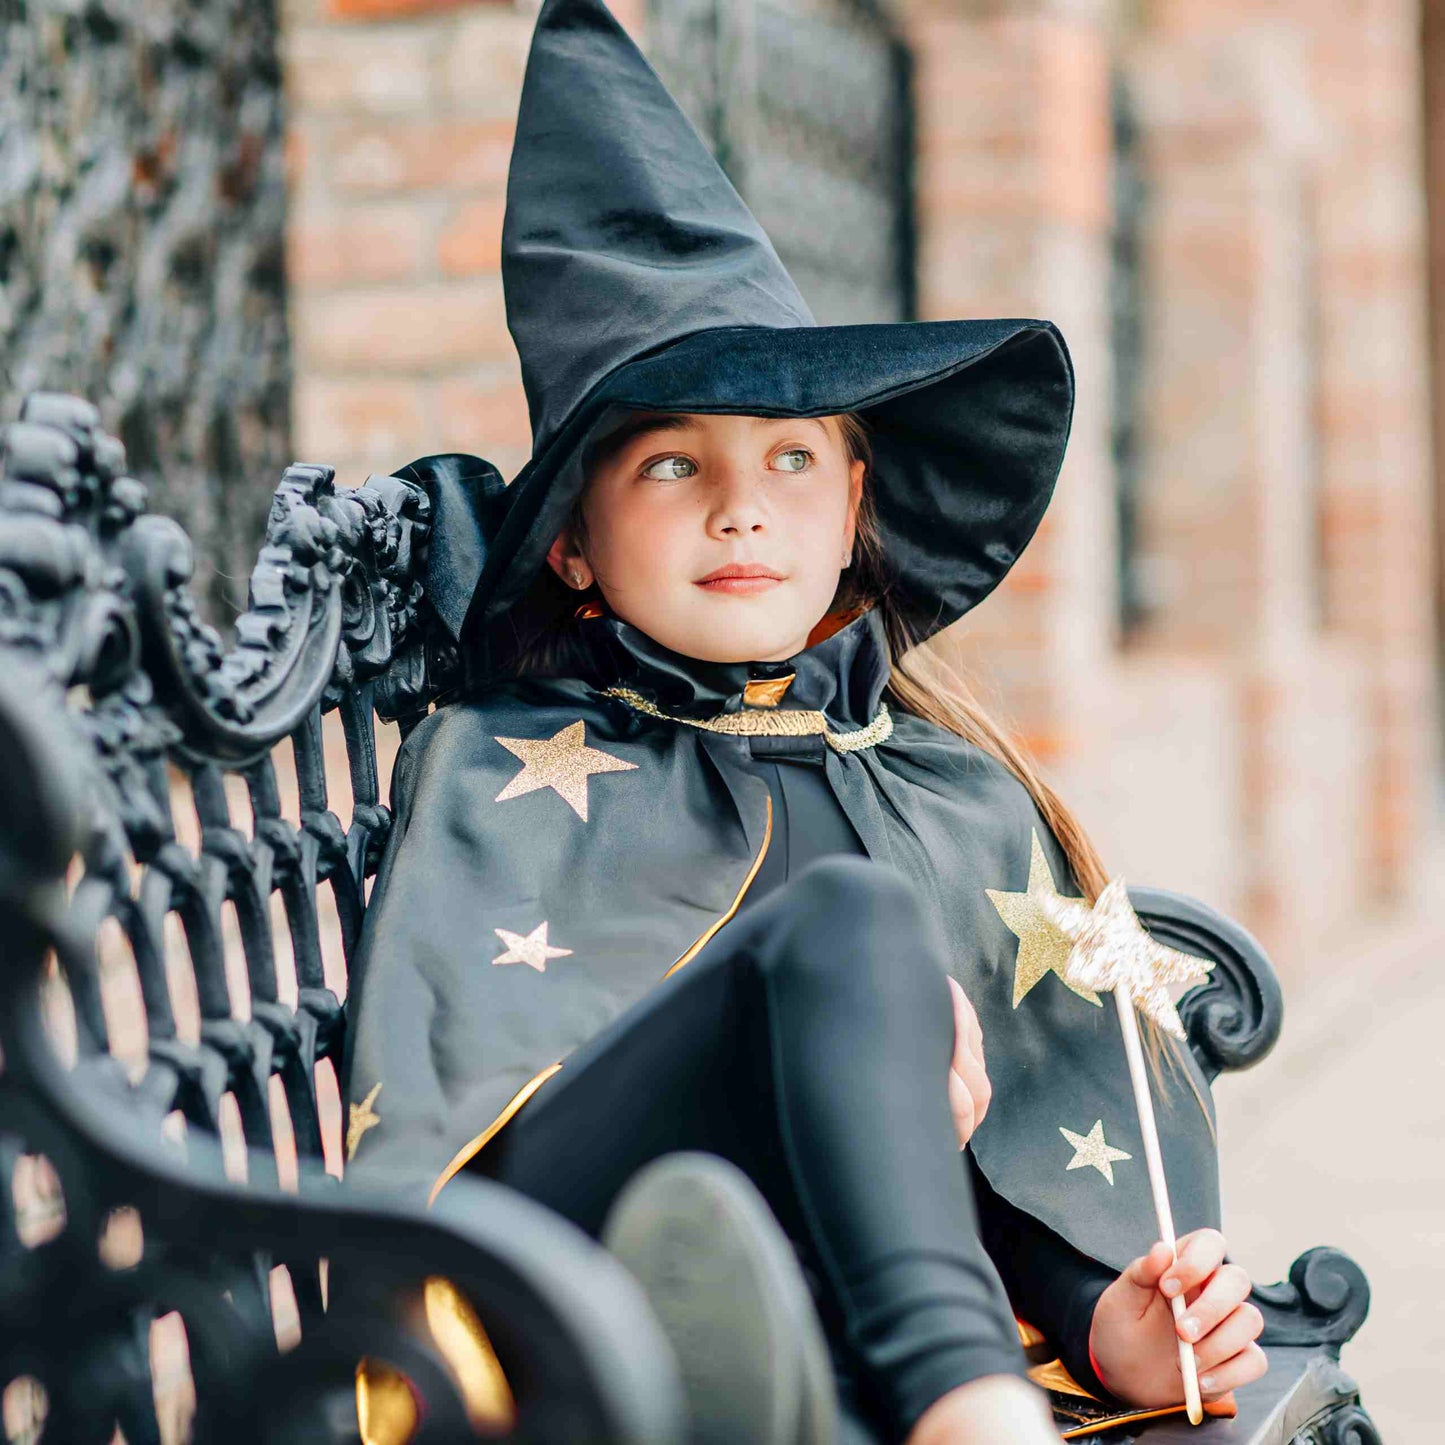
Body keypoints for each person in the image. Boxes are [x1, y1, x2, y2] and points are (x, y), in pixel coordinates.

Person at [341, 2, 1267, 1440]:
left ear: (850, 509)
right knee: (839, 932)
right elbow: (473, 1119)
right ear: (572, 539)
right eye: (668, 463)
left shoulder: (946, 791)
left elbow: (992, 1167)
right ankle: (966, 1415)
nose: (739, 504)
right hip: (556, 1288)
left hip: (847, 1325)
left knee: (859, 954)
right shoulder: (503, 762)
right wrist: (815, 1051)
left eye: (790, 457)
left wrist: (1100, 1318)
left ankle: (847, 1387)